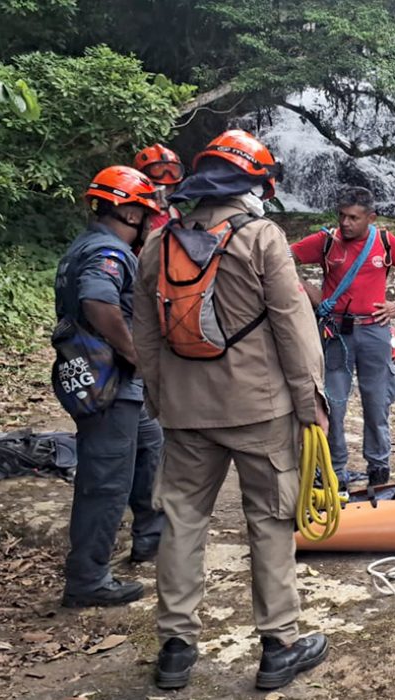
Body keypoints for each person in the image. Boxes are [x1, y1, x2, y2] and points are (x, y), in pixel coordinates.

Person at [132, 130, 330, 691]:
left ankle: (175, 649)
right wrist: (311, 402)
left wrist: (160, 396)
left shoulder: (158, 243)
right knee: (269, 522)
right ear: (252, 184)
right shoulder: (262, 237)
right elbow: (294, 327)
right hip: (259, 410)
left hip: (185, 412)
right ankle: (278, 647)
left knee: (181, 521)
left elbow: (145, 334)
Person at [55, 165, 166, 608]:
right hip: (111, 384)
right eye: (143, 212)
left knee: (149, 446)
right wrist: (136, 352)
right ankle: (88, 579)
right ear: (126, 210)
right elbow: (98, 301)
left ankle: (151, 536)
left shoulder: (84, 246)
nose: (147, 222)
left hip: (116, 386)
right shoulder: (108, 251)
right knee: (105, 481)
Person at [291, 188, 395, 489]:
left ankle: (379, 469)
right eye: (341, 215)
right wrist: (311, 293)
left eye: (353, 217)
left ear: (371, 218)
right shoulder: (326, 241)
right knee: (333, 404)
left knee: (376, 402)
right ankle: (334, 471)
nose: (345, 223)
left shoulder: (385, 242)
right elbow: (281, 258)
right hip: (335, 332)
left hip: (374, 331)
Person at [133, 143, 186, 231]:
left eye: (168, 187)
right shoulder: (132, 214)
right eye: (158, 186)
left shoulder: (176, 215)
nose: (163, 193)